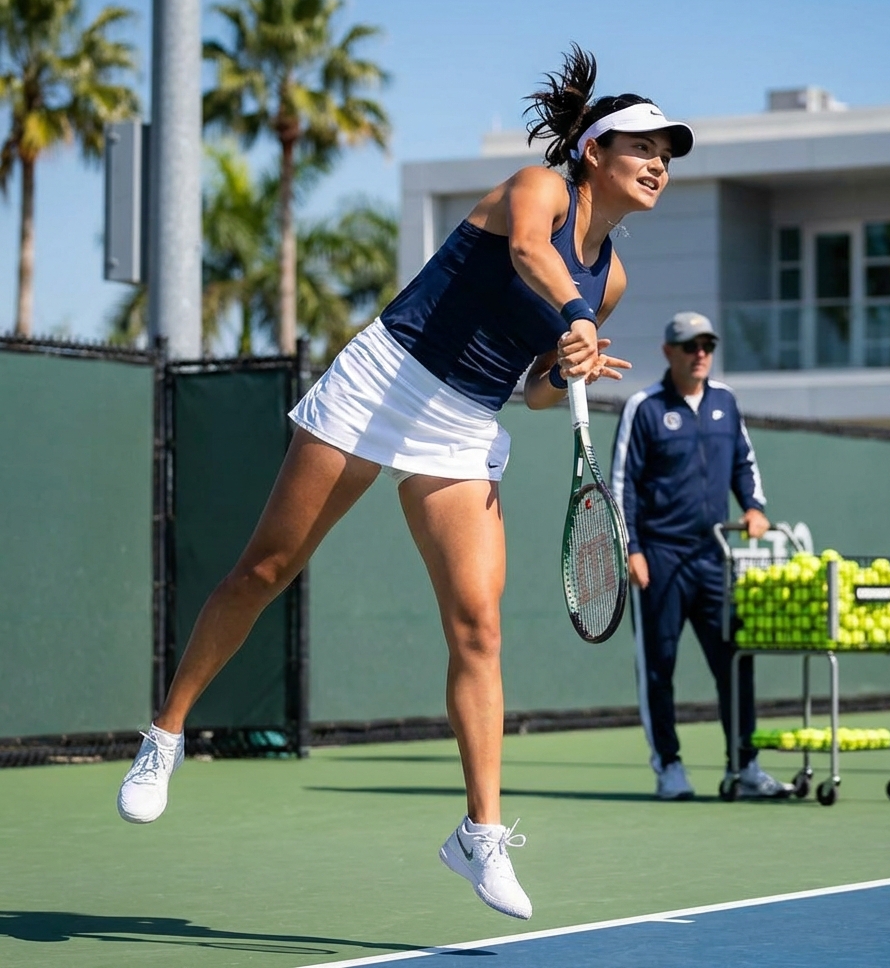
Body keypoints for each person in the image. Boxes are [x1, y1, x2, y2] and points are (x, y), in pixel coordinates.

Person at [115, 45, 695, 920]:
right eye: (643, 146)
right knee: (265, 569)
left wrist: (570, 365)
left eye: (669, 153)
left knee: (478, 626)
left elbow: (535, 392)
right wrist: (571, 316)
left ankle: (479, 835)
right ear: (594, 153)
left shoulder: (611, 277)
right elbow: (534, 255)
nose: (658, 163)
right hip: (387, 378)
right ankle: (164, 735)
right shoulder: (540, 190)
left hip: (465, 423)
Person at [610, 312, 794, 801]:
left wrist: (754, 507)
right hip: (660, 559)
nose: (700, 354)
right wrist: (632, 548)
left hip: (716, 560)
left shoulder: (726, 401)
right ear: (669, 351)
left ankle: (746, 765)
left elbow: (744, 462)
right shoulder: (643, 408)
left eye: (707, 345)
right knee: (659, 665)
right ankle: (668, 766)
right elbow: (621, 484)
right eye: (690, 346)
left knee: (735, 661)